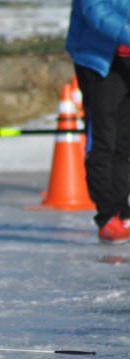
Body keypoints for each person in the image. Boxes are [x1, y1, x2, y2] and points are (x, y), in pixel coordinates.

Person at [66, 0, 130, 243]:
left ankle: (123, 211)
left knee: (124, 141)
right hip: (100, 61)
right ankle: (106, 216)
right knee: (103, 138)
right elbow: (94, 11)